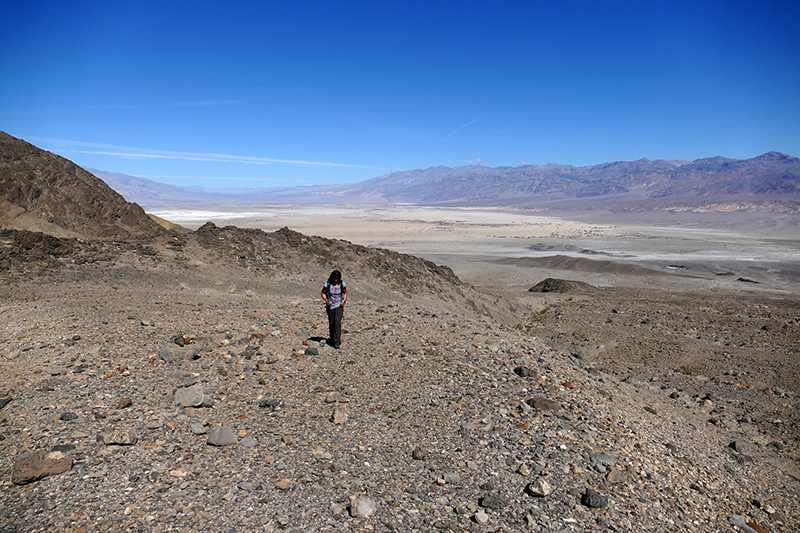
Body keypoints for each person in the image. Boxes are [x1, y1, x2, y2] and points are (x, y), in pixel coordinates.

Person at [321, 270, 347, 348]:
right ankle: (332, 338)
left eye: (337, 278)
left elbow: (345, 293)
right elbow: (323, 292)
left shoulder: (342, 284)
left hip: (339, 305)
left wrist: (343, 301)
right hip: (330, 306)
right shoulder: (328, 284)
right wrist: (327, 301)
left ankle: (337, 341)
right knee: (332, 323)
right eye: (334, 278)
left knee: (337, 322)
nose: (336, 280)